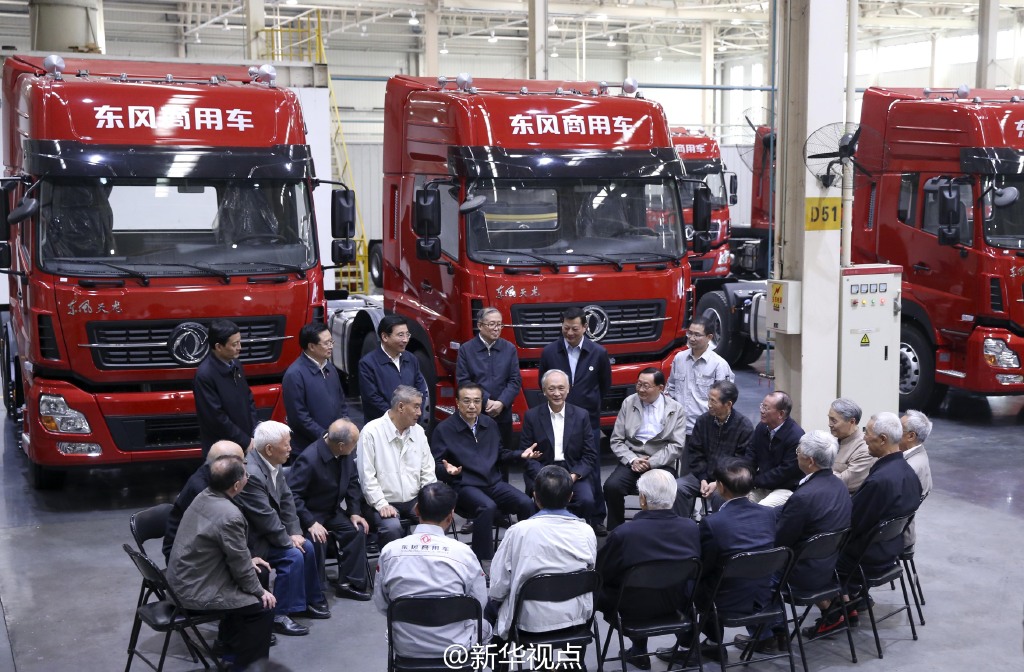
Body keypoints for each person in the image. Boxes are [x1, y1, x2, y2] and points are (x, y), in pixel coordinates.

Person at [805, 412, 922, 637]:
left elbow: (850, 523)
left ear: (883, 439)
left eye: (868, 433)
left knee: (808, 556)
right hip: (889, 552)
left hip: (864, 560)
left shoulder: (880, 480)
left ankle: (834, 615)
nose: (864, 437)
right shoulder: (908, 473)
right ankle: (848, 605)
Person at [658, 458, 777, 664]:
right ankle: (714, 644)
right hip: (762, 596)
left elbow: (703, 567)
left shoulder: (713, 523)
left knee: (679, 583)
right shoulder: (768, 514)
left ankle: (686, 647)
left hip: (723, 600)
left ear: (720, 487)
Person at [166, 455, 275, 671]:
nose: (248, 477)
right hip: (196, 593)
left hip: (185, 580)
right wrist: (260, 592)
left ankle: (231, 650)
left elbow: (230, 551)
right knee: (263, 606)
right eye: (246, 475)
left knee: (260, 573)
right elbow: (240, 568)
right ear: (236, 485)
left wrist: (249, 560)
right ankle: (248, 668)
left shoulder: (204, 496)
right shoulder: (230, 515)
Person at [373, 482, 491, 659]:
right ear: (451, 516)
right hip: (456, 647)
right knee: (487, 628)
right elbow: (478, 604)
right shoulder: (464, 554)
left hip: (406, 648)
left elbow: (382, 604)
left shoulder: (390, 551)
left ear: (417, 510)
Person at [234, 421, 330, 637]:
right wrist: (288, 540)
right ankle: (279, 615)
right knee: (293, 555)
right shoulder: (252, 474)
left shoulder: (272, 462)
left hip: (269, 533)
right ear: (269, 449)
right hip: (253, 541)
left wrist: (295, 532)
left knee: (307, 546)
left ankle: (308, 601)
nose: (290, 448)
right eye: (286, 445)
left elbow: (287, 500)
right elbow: (265, 517)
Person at [597, 469, 700, 669]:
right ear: (674, 497)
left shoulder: (624, 534)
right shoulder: (691, 528)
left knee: (601, 586)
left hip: (630, 610)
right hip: (676, 604)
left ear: (642, 499)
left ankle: (639, 651)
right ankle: (685, 647)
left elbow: (602, 573)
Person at [487, 465, 597, 648]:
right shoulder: (586, 531)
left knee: (491, 609)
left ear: (535, 497)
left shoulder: (518, 531)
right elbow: (589, 574)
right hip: (575, 621)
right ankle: (575, 661)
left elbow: (498, 586)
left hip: (528, 623)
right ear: (570, 497)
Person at [431, 382, 536, 565]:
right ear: (457, 402)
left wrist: (520, 455)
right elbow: (436, 465)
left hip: (493, 483)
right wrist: (448, 471)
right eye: (467, 401)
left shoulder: (490, 424)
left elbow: (500, 454)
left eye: (477, 401)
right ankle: (482, 562)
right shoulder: (444, 429)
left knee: (526, 503)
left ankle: (526, 554)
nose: (472, 406)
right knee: (487, 507)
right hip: (464, 485)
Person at [539, 306, 611, 535]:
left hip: (587, 420)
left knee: (592, 468)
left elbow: (605, 385)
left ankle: (596, 517)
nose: (570, 333)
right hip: (557, 416)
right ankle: (558, 512)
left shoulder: (598, 352)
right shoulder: (549, 352)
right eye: (566, 328)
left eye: (575, 329)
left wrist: (589, 404)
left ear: (585, 328)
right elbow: (543, 381)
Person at [286, 418, 371, 601]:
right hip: (309, 513)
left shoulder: (344, 454)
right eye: (354, 443)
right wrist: (310, 522)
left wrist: (354, 512)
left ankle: (348, 583)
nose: (356, 447)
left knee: (357, 530)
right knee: (317, 539)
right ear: (341, 445)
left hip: (331, 510)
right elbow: (292, 495)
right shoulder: (309, 459)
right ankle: (315, 593)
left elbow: (352, 483)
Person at [604, 368, 687, 531]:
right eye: (638, 384)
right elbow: (616, 440)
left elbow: (676, 445)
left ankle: (663, 531)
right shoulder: (629, 403)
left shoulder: (675, 409)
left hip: (661, 462)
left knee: (665, 490)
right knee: (611, 486)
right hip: (633, 459)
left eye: (646, 386)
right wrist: (633, 460)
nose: (641, 389)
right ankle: (617, 531)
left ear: (660, 388)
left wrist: (652, 462)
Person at [357, 385, 436, 547]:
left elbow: (428, 471)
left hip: (414, 499)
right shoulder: (371, 432)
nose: (420, 412)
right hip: (382, 501)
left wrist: (427, 500)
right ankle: (394, 563)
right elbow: (366, 476)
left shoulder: (419, 431)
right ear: (401, 407)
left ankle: (422, 560)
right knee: (391, 528)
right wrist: (381, 504)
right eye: (416, 407)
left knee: (437, 519)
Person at [520, 369, 598, 522]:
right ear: (544, 391)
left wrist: (573, 476)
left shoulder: (581, 415)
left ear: (568, 389)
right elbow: (526, 454)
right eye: (551, 389)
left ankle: (578, 534)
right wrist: (544, 477)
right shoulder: (532, 416)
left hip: (572, 470)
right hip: (542, 470)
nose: (557, 393)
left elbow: (590, 454)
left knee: (586, 501)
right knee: (538, 502)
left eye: (561, 388)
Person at [456, 307, 522, 478]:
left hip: (502, 412)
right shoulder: (467, 350)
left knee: (503, 456)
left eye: (500, 325)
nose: (496, 328)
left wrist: (501, 402)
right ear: (480, 325)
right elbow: (464, 381)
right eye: (492, 324)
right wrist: (485, 401)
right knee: (477, 455)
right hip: (476, 412)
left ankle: (503, 488)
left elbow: (515, 381)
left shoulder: (509, 348)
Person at [673, 380, 754, 519]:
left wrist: (717, 482)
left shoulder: (744, 426)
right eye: (709, 399)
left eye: (713, 401)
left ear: (728, 404)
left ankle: (716, 530)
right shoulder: (702, 421)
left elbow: (740, 462)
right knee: (678, 488)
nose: (709, 404)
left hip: (727, 481)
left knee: (721, 496)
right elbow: (695, 452)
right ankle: (682, 527)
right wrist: (703, 478)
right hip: (701, 476)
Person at [163, 440, 245, 562]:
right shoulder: (203, 491)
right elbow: (227, 530)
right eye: (241, 462)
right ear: (223, 464)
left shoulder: (213, 474)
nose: (244, 466)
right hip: (185, 557)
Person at [282, 322, 350, 453]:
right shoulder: (294, 375)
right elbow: (299, 417)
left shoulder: (329, 367)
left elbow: (341, 402)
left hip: (336, 442)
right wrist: (326, 436)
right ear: (311, 346)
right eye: (326, 343)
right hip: (310, 448)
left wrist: (344, 426)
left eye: (331, 341)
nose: (331, 346)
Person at [193, 319, 258, 455]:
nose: (240, 347)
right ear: (218, 347)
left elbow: (248, 399)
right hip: (223, 450)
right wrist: (244, 441)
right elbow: (216, 419)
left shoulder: (236, 364)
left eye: (239, 342)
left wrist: (254, 432)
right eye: (235, 344)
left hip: (247, 442)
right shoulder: (205, 375)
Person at [664, 316, 735, 438]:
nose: (692, 338)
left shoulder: (719, 365)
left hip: (705, 430)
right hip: (678, 428)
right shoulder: (679, 358)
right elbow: (671, 388)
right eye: (690, 333)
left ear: (709, 337)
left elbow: (724, 400)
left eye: (697, 335)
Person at [359, 315, 430, 423]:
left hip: (409, 423)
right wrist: (396, 417)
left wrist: (414, 411)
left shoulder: (411, 359)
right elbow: (372, 398)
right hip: (382, 425)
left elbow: (421, 389)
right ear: (385, 337)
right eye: (400, 335)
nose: (405, 339)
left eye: (407, 334)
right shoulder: (368, 364)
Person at [744, 391, 804, 507]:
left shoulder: (796, 437)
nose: (762, 411)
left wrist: (754, 481)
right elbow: (751, 453)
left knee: (761, 509)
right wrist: (745, 476)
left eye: (766, 408)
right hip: (763, 485)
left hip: (785, 488)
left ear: (781, 414)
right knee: (737, 502)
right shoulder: (761, 427)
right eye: (762, 406)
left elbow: (783, 473)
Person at [899, 409, 933, 549]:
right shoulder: (918, 455)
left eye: (898, 428)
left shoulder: (910, 468)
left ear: (911, 436)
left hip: (895, 536)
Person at [828, 398, 875, 494]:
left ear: (852, 421)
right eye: (829, 419)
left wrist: (818, 469)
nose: (829, 424)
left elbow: (844, 483)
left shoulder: (865, 448)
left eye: (834, 421)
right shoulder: (832, 440)